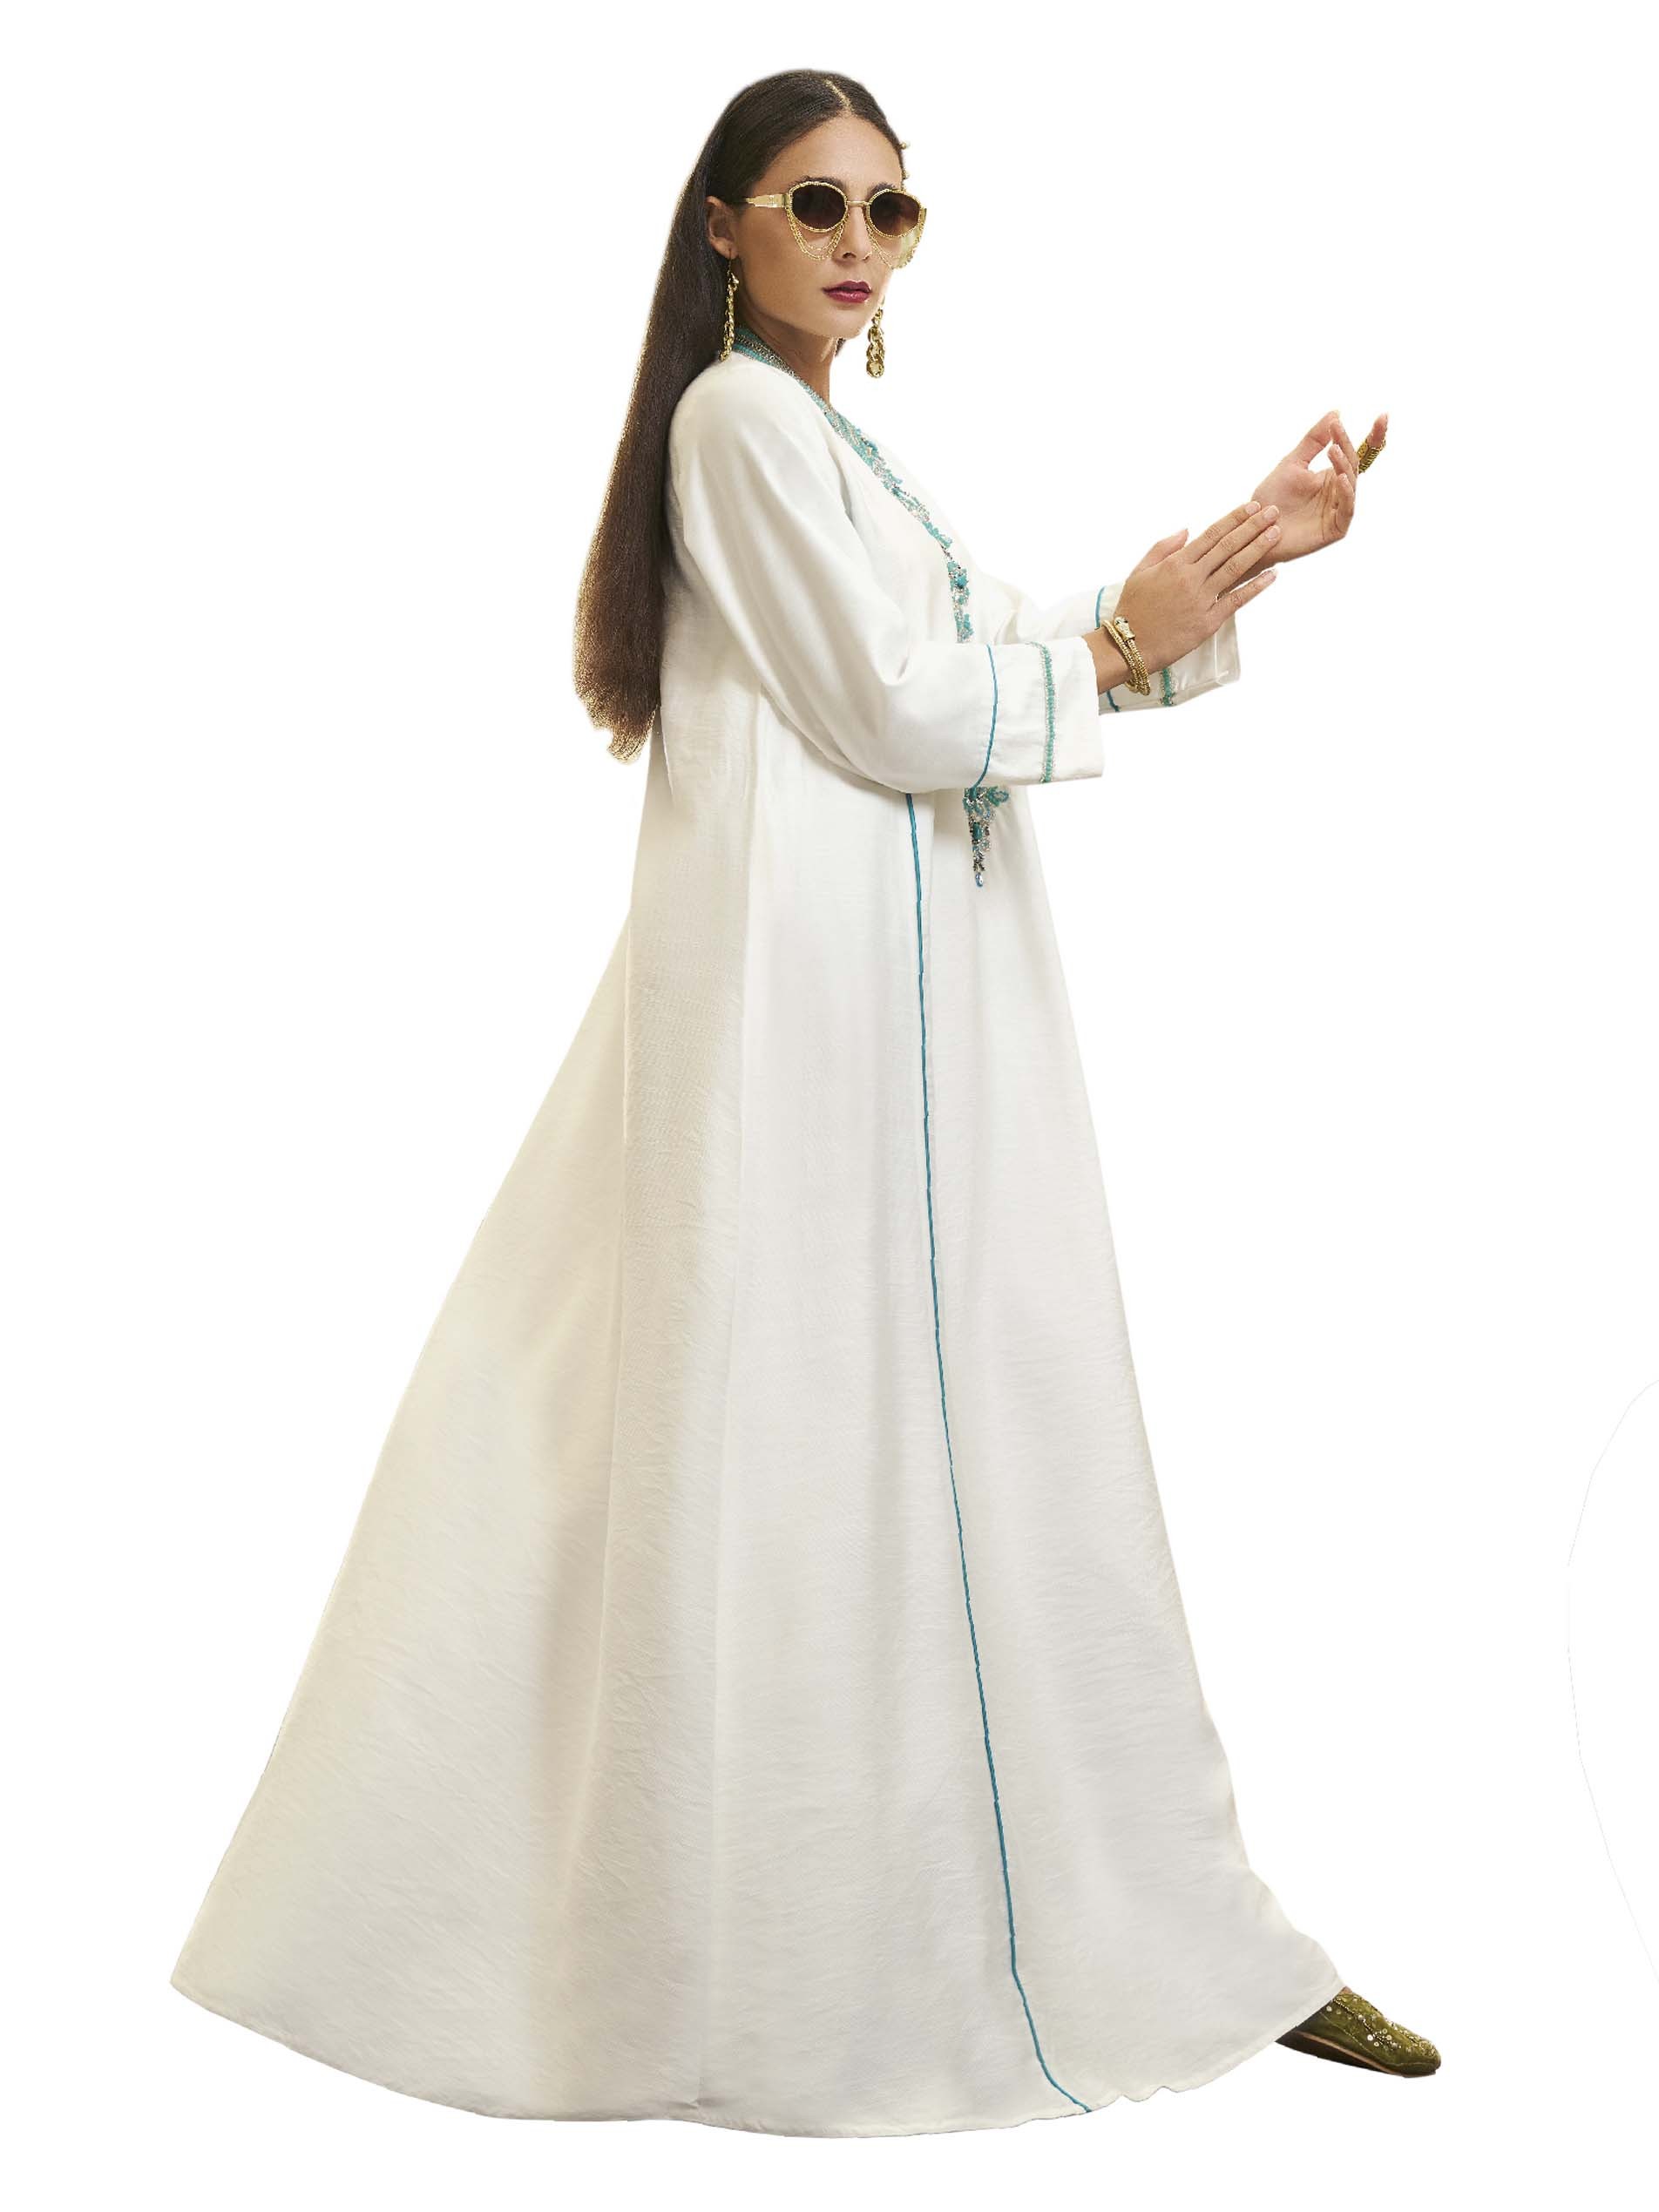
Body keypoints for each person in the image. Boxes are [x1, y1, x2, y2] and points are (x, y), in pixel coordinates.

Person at [170, 69, 1433, 2135]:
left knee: (957, 1440)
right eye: (816, 202)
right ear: (724, 228)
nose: (857, 241)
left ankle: (1158, 1933)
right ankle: (827, 1964)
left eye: (891, 210)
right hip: (817, 1022)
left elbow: (988, 639)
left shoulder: (830, 446)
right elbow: (892, 705)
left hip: (904, 1011)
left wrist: (1232, 557)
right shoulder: (738, 426)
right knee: (812, 1453)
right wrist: (1118, 640)